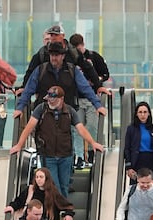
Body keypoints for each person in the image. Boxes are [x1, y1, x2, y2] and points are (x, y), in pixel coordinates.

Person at [10, 85, 104, 197]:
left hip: (65, 155)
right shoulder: (41, 109)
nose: (51, 102)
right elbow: (29, 127)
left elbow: (81, 129)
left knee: (64, 186)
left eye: (54, 100)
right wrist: (19, 145)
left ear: (61, 99)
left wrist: (93, 143)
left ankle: (63, 211)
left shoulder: (69, 111)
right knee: (54, 185)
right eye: (50, 99)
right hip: (48, 154)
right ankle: (60, 210)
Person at [20, 24, 103, 94]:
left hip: (68, 94)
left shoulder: (73, 52)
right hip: (46, 93)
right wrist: (24, 87)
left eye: (56, 35)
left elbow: (87, 67)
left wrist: (98, 86)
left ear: (63, 36)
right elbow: (31, 70)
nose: (53, 37)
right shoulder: (43, 52)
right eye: (51, 35)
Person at [69, 32, 110, 168]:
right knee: (77, 128)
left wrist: (97, 81)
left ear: (83, 45)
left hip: (91, 98)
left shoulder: (93, 57)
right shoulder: (70, 58)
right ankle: (79, 155)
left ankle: (92, 153)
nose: (77, 50)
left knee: (92, 126)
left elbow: (105, 73)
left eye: (79, 47)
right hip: (77, 98)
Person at [4, 167, 75, 220]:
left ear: (46, 179)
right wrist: (12, 207)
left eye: (41, 177)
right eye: (37, 177)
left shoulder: (53, 192)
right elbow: (19, 201)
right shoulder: (30, 190)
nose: (38, 179)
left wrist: (68, 214)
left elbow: (66, 205)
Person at [124, 102, 153, 182]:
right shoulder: (131, 129)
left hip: (151, 160)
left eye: (145, 112)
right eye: (140, 112)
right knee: (136, 187)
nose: (142, 115)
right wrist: (128, 167)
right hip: (137, 161)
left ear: (149, 114)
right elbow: (127, 148)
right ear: (136, 114)